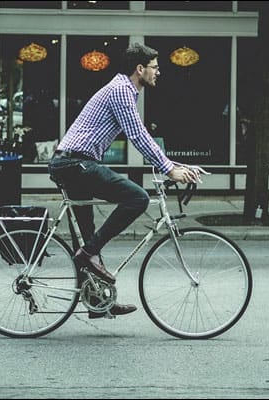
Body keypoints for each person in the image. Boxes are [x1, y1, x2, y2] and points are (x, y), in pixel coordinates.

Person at [48, 43, 199, 318]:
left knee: (87, 233)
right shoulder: (121, 91)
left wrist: (178, 166)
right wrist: (168, 169)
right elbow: (138, 135)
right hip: (75, 163)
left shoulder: (124, 90)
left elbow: (140, 136)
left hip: (74, 162)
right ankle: (88, 255)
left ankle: (96, 300)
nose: (159, 72)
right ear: (139, 69)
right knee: (137, 198)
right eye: (155, 67)